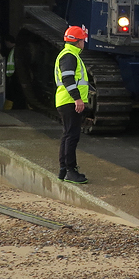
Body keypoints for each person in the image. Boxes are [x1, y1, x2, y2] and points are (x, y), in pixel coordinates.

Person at [54, 25, 91, 184]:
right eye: (83, 40)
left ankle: (64, 170)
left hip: (65, 100)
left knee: (67, 135)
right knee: (72, 136)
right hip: (70, 101)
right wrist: (77, 99)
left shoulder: (68, 54)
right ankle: (70, 170)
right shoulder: (70, 56)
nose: (84, 43)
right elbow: (68, 79)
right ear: (77, 42)